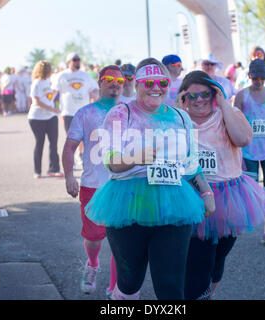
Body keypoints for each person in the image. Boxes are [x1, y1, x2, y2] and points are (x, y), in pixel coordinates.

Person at [85, 58, 215, 300]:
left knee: (171, 284)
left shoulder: (181, 117)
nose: (157, 87)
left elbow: (191, 162)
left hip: (174, 204)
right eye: (149, 82)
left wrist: (206, 192)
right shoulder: (120, 113)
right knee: (129, 281)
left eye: (162, 82)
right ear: (137, 84)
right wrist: (137, 157)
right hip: (128, 202)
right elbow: (110, 161)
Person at [178, 70, 265, 300]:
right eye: (192, 96)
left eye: (205, 94)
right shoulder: (178, 119)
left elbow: (242, 140)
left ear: (215, 94)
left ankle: (206, 290)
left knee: (217, 258)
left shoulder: (228, 113)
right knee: (200, 260)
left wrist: (224, 104)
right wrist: (179, 109)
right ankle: (197, 295)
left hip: (230, 197)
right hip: (193, 197)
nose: (199, 99)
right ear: (184, 97)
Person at [63, 65, 125, 297]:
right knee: (93, 238)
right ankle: (92, 264)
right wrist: (70, 176)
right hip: (93, 185)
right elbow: (69, 147)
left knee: (122, 243)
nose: (115, 83)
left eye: (119, 80)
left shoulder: (130, 111)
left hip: (122, 185)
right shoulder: (85, 113)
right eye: (109, 79)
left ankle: (115, 288)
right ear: (99, 83)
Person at [234, 59, 265, 247]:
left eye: (263, 77)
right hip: (248, 150)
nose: (259, 81)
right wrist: (234, 148)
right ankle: (244, 222)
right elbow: (234, 122)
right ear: (249, 76)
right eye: (256, 77)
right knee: (249, 189)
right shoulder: (241, 96)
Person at [27, 60, 63, 179]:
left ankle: (54, 169)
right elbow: (37, 101)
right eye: (49, 69)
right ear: (45, 70)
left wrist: (54, 93)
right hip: (37, 118)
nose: (51, 71)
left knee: (53, 144)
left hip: (51, 117)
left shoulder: (49, 82)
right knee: (40, 143)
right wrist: (53, 109)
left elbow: (48, 98)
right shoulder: (36, 83)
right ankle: (37, 171)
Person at [51, 53, 99, 133]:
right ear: (69, 62)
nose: (77, 62)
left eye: (78, 60)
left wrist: (95, 97)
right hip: (68, 112)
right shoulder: (62, 75)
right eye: (75, 60)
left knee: (82, 139)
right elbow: (54, 91)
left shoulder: (85, 75)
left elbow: (95, 89)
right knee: (71, 138)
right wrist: (48, 104)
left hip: (83, 112)